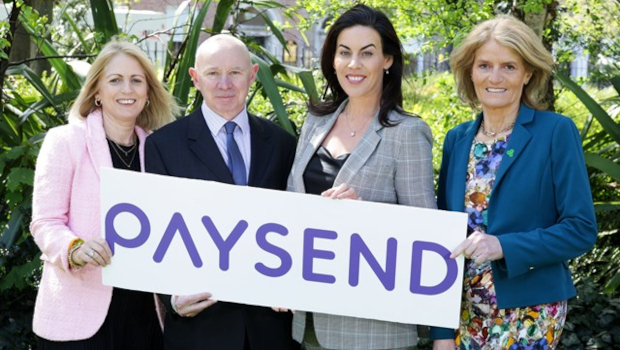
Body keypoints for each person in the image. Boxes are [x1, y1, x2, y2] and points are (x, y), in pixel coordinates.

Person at [431, 15, 598, 350]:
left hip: (531, 311)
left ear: (528, 74)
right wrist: (441, 333)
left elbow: (580, 229)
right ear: (470, 72)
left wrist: (504, 246)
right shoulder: (457, 139)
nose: (495, 77)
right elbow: (440, 235)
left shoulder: (555, 132)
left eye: (509, 66)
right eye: (484, 65)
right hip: (463, 311)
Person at [285, 4, 436, 350]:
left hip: (373, 330)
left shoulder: (407, 133)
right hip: (308, 322)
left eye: (367, 54)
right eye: (344, 53)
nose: (354, 64)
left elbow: (426, 233)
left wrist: (366, 213)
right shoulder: (315, 122)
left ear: (387, 61)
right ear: (333, 60)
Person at [144, 34, 298, 350]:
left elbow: (296, 227)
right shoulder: (163, 146)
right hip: (200, 330)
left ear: (253, 75)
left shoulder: (282, 144)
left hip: (270, 331)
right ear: (195, 78)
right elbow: (154, 234)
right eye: (213, 73)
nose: (224, 83)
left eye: (235, 72)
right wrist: (172, 299)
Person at [30, 38, 179, 349]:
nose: (127, 89)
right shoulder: (65, 141)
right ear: (97, 91)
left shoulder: (160, 150)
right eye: (115, 80)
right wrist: (74, 248)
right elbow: (45, 222)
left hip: (145, 315)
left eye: (136, 80)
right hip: (78, 318)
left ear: (148, 92)